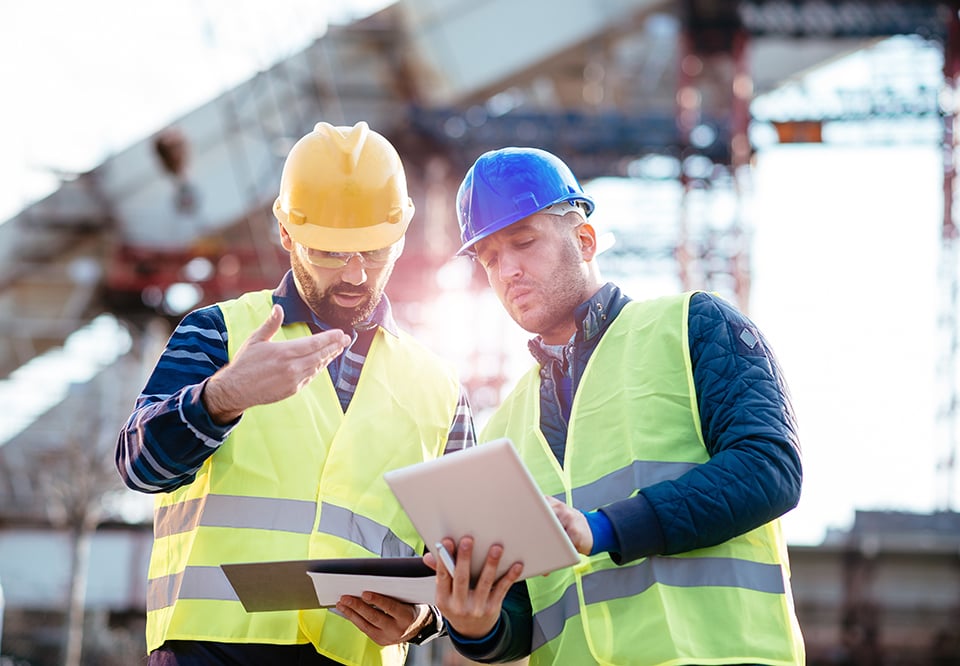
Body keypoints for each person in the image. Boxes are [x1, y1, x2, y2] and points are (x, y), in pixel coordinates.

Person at [426, 146, 805, 665]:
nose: (507, 270)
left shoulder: (693, 326)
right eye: (490, 259)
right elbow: (522, 617)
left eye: (524, 243)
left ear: (584, 240)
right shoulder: (503, 430)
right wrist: (477, 626)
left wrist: (602, 527)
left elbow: (770, 469)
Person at [116, 121, 476, 666]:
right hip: (210, 652)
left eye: (375, 252)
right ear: (287, 235)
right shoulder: (219, 334)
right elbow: (140, 466)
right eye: (331, 252)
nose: (356, 273)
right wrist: (221, 397)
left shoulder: (440, 390)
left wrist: (426, 619)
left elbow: (463, 557)